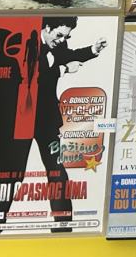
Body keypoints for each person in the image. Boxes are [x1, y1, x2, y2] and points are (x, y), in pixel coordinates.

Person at [9, 18, 108, 232]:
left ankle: (63, 226)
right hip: (22, 118)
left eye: (66, 36)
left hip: (46, 120)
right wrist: (63, 70)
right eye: (59, 35)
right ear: (46, 28)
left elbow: (69, 55)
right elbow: (30, 74)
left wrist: (93, 49)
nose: (62, 40)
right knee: (14, 173)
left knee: (56, 170)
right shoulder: (27, 41)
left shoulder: (58, 44)